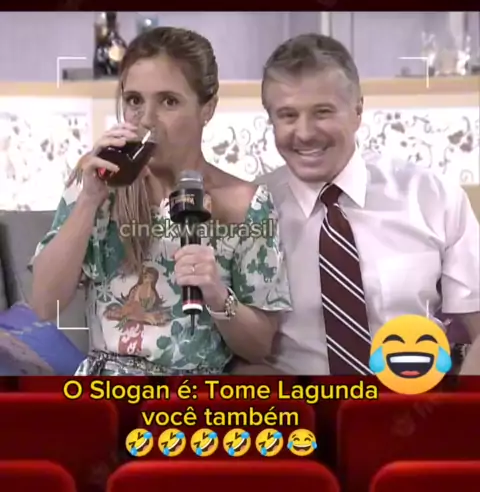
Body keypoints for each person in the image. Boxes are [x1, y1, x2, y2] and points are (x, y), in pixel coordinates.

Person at [31, 27, 290, 376]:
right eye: (134, 101)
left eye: (169, 101)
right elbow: (44, 305)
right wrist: (90, 199)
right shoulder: (96, 184)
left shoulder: (248, 204)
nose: (147, 120)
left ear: (208, 108)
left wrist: (217, 294)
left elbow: (258, 346)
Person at [235, 33, 480, 375]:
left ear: (358, 111)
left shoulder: (431, 196)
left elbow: (476, 325)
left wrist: (458, 400)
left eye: (322, 112)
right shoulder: (247, 210)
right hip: (297, 402)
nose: (304, 133)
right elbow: (233, 352)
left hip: (417, 397)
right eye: (287, 116)